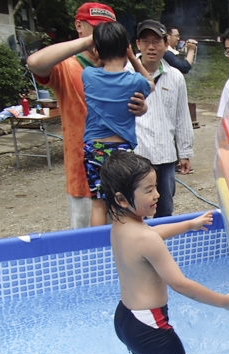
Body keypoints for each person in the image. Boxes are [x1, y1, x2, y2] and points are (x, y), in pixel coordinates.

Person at [100, 151, 229, 354]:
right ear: (122, 199)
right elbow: (181, 284)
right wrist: (223, 302)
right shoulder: (145, 238)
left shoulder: (121, 225)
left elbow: (151, 235)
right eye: (148, 190)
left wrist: (189, 225)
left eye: (156, 187)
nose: (157, 194)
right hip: (151, 325)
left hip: (125, 319)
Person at [26, 2, 147, 229]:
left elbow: (141, 98)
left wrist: (142, 108)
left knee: (129, 240)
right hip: (83, 177)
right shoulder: (65, 66)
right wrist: (89, 42)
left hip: (122, 173)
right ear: (79, 26)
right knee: (89, 247)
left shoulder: (121, 69)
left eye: (107, 28)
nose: (103, 33)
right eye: (97, 28)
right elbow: (34, 62)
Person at [82, 21, 154, 226]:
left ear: (96, 50)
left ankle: (99, 251)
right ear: (126, 49)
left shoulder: (88, 75)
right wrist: (132, 57)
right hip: (122, 150)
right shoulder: (135, 81)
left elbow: (98, 68)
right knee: (124, 202)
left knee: (98, 204)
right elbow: (151, 83)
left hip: (93, 147)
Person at [133, 20, 195, 218]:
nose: (151, 47)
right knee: (134, 210)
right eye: (146, 42)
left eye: (156, 42)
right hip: (135, 156)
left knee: (165, 209)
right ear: (138, 44)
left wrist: (184, 152)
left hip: (166, 155)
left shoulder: (175, 76)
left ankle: (162, 248)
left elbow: (182, 116)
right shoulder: (125, 74)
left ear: (166, 45)